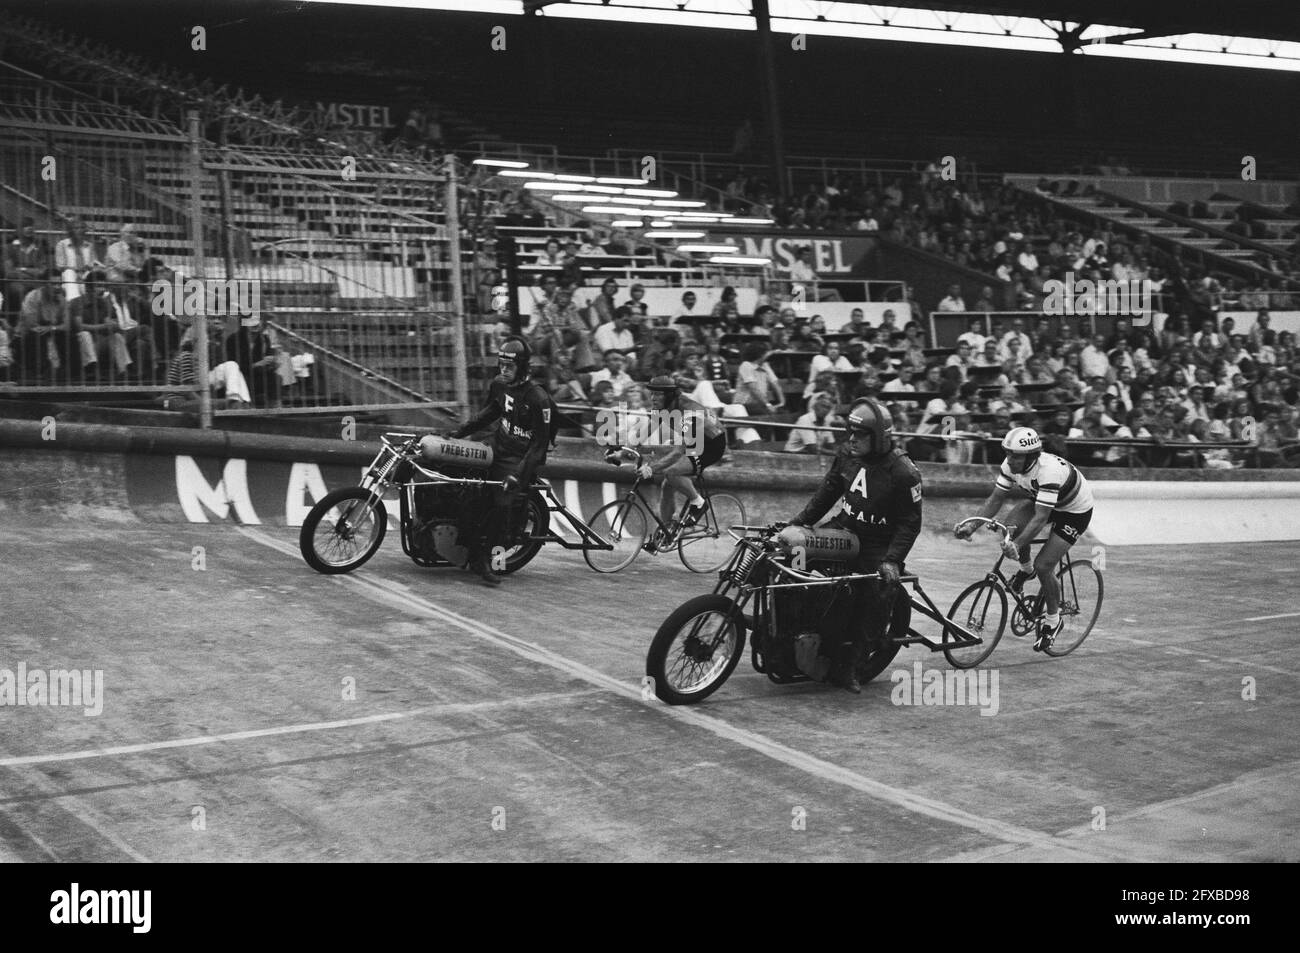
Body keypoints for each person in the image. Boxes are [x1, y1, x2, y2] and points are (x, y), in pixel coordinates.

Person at [785, 399, 923, 693]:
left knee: (878, 593)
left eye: (859, 435)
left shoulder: (903, 472)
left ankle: (851, 665)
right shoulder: (847, 454)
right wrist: (797, 522)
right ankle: (794, 631)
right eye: (850, 433)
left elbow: (910, 523)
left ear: (880, 437)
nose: (851, 439)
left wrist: (892, 560)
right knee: (792, 559)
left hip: (876, 544)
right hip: (843, 528)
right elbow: (828, 490)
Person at [955, 427, 1096, 652]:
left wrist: (1017, 544)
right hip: (1044, 500)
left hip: (1074, 511)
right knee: (1009, 529)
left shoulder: (1047, 472)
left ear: (1031, 456)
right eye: (1008, 453)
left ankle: (1053, 620)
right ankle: (1026, 569)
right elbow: (995, 499)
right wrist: (971, 525)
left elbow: (1041, 519)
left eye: (1015, 456)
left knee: (1044, 565)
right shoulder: (1009, 465)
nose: (1010, 460)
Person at [451, 337, 552, 587]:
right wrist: (457, 433)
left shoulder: (539, 399)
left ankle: (485, 559)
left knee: (501, 502)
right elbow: (489, 413)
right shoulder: (499, 384)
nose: (503, 370)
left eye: (509, 366)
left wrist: (518, 474)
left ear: (523, 367)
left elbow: (539, 447)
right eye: (501, 364)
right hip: (497, 445)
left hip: (520, 458)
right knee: (462, 480)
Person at [635, 375, 728, 537]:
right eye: (652, 393)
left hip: (711, 445)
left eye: (657, 394)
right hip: (695, 439)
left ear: (669, 395)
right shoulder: (662, 406)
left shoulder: (689, 411)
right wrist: (622, 449)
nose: (652, 398)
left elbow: (678, 452)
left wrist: (651, 468)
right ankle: (666, 531)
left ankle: (698, 503)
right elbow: (645, 432)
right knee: (667, 485)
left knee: (671, 472)